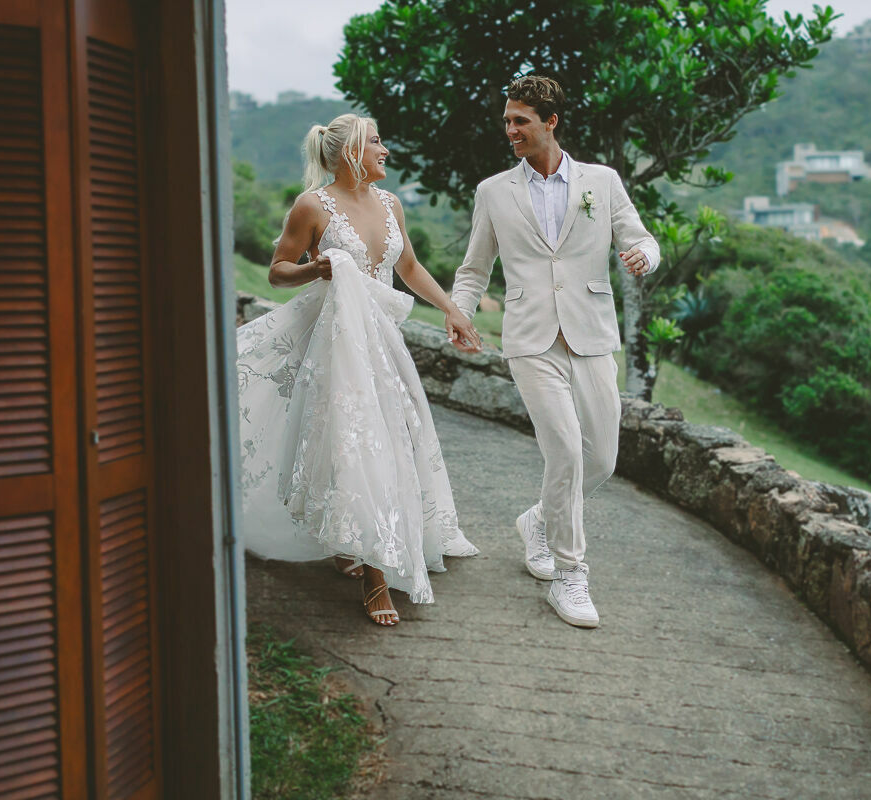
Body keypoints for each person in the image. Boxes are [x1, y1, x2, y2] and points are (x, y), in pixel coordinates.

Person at [237, 114, 482, 627]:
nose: (386, 149)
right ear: (351, 151)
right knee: (355, 443)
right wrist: (316, 267)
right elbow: (278, 270)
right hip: (330, 343)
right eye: (376, 141)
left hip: (381, 344)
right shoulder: (313, 205)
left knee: (389, 441)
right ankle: (374, 577)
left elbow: (408, 268)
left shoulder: (391, 205)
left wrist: (451, 310)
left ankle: (352, 539)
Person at [449, 76, 660, 628]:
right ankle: (570, 575)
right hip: (529, 338)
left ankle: (540, 521)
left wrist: (642, 256)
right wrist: (459, 312)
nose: (511, 130)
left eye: (521, 121)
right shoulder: (494, 191)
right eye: (507, 121)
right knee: (564, 451)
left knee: (603, 460)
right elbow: (474, 270)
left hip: (591, 334)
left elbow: (639, 238)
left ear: (551, 122)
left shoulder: (602, 181)